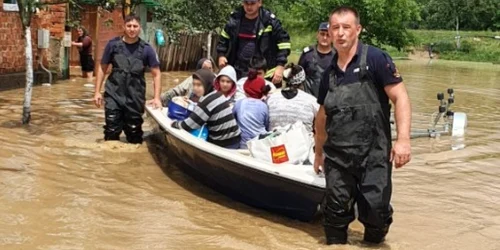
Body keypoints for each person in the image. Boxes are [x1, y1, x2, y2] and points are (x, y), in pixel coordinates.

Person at [313, 6, 411, 245]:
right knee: (334, 215)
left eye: (346, 27)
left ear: (358, 29)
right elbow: (322, 117)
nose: (340, 33)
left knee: (376, 213)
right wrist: (318, 153)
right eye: (335, 28)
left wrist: (403, 140)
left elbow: (401, 98)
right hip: (337, 157)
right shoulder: (329, 74)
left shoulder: (376, 60)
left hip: (374, 155)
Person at [93, 14, 162, 144]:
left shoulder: (147, 50)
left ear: (140, 28)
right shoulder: (113, 45)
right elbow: (102, 68)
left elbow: (156, 74)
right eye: (129, 26)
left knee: (134, 134)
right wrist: (97, 92)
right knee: (111, 130)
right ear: (124, 27)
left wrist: (157, 98)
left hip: (135, 98)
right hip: (114, 94)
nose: (132, 29)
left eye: (135, 26)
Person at [216, 0, 291, 85]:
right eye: (246, 3)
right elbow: (224, 37)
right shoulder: (235, 19)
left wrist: (280, 66)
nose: (249, 7)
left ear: (259, 3)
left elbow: (284, 44)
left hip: (264, 74)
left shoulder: (269, 21)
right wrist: (221, 55)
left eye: (252, 3)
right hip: (239, 72)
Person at [171, 69, 241, 149]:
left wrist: (175, 124)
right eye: (194, 84)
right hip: (235, 139)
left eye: (199, 85)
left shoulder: (207, 101)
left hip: (225, 144)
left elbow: (189, 125)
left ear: (207, 84)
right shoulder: (217, 94)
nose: (195, 88)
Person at [266, 64, 319, 132]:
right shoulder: (312, 101)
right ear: (303, 81)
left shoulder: (271, 99)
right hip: (303, 141)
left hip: (276, 141)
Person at [233, 69, 271, 149]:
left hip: (243, 144)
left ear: (246, 90)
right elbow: (266, 124)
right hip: (260, 144)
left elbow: (233, 121)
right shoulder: (264, 106)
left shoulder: (239, 103)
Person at [298, 22, 335, 98]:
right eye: (322, 34)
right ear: (317, 35)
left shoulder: (338, 56)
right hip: (308, 98)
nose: (325, 37)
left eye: (328, 35)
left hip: (330, 99)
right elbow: (298, 75)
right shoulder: (307, 54)